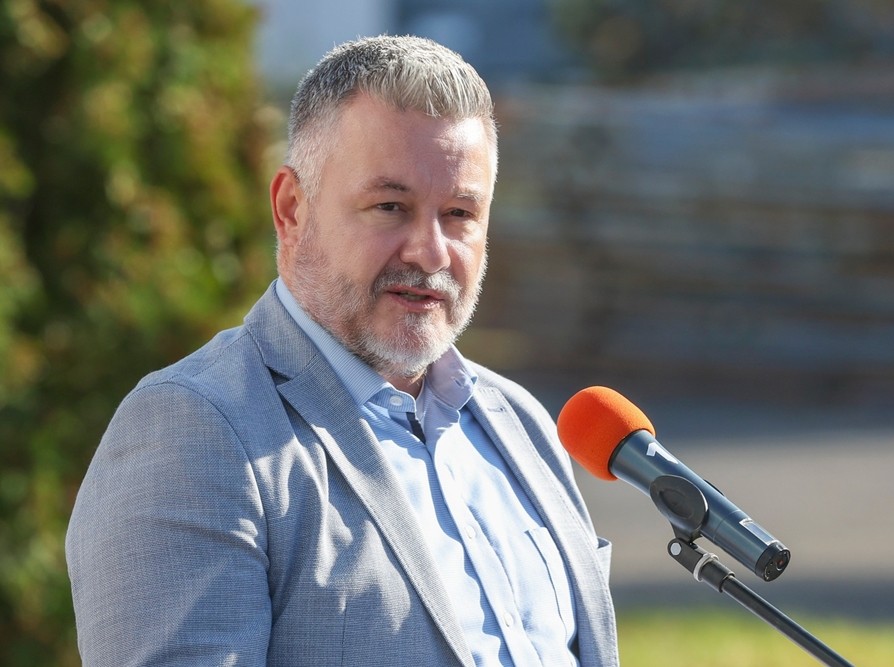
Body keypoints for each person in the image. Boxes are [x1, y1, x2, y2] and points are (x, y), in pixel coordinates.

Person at [65, 35, 618, 666]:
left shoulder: (518, 422)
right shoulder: (194, 431)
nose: (430, 252)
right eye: (391, 206)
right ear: (291, 209)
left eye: (460, 213)